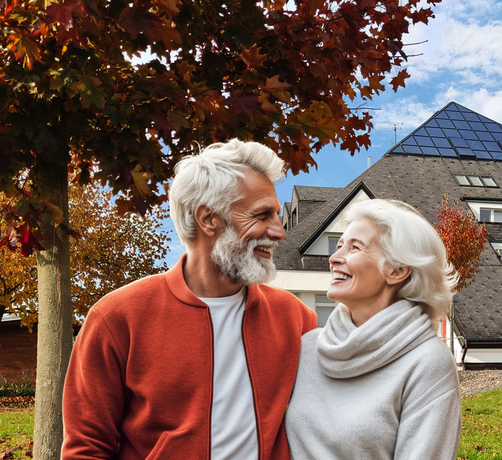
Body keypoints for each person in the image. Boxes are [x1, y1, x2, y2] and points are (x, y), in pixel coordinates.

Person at [62, 139, 318, 460]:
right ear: (208, 219)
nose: (279, 232)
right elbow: (87, 448)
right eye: (262, 215)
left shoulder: (297, 319)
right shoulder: (116, 318)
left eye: (277, 215)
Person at [285, 199, 462, 460]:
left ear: (397, 270)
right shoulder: (309, 346)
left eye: (355, 247)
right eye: (339, 246)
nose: (334, 258)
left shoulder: (427, 362)